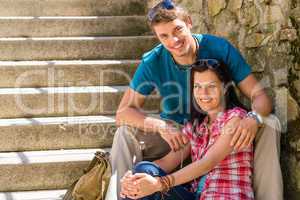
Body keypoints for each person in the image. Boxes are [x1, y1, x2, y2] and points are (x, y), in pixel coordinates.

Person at [105, 1, 283, 200]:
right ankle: (122, 194)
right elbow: (123, 113)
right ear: (157, 37)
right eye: (164, 35)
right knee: (124, 134)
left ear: (189, 22)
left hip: (220, 130)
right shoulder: (153, 61)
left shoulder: (219, 48)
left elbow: (260, 96)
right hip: (178, 135)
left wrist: (253, 118)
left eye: (177, 30)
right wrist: (161, 126)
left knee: (270, 122)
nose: (173, 40)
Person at [120, 59, 254, 200]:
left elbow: (208, 163)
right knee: (144, 170)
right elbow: (166, 162)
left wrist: (160, 184)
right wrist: (132, 179)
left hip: (226, 195)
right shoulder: (196, 127)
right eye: (197, 86)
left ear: (225, 88)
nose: (203, 93)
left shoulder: (236, 118)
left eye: (211, 86)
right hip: (196, 195)